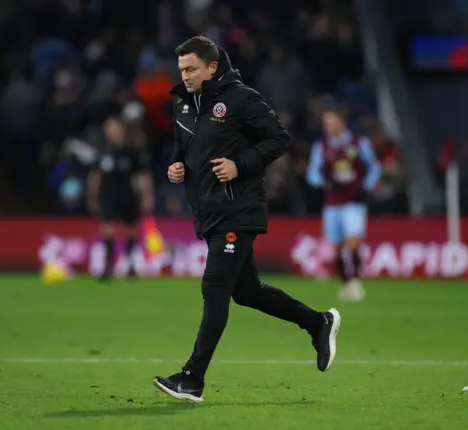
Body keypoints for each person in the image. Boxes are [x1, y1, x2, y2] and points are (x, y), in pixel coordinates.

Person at [153, 36, 341, 404]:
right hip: (208, 211)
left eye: (191, 69)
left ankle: (192, 378)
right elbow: (183, 151)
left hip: (239, 209)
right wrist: (176, 168)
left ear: (212, 66)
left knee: (215, 287)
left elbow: (279, 139)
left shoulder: (241, 98)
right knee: (246, 290)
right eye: (181, 70)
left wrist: (241, 164)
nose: (186, 76)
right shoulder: (182, 105)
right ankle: (318, 322)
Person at [306, 106, 381, 301]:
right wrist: (323, 181)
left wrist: (367, 185)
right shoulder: (321, 146)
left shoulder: (359, 143)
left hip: (354, 201)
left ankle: (356, 280)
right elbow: (312, 173)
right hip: (332, 202)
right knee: (337, 247)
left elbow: (374, 166)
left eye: (330, 121)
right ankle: (346, 282)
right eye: (325, 123)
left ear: (341, 121)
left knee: (353, 241)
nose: (327, 126)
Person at [87, 117, 154, 280]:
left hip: (128, 194)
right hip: (108, 195)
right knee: (108, 229)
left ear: (121, 130)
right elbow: (95, 176)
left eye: (114, 129)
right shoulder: (103, 153)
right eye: (109, 130)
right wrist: (92, 197)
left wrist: (147, 197)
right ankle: (108, 268)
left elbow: (144, 175)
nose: (112, 133)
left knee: (131, 230)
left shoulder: (132, 152)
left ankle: (131, 266)